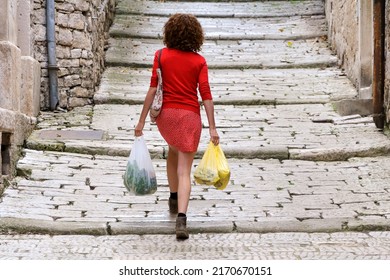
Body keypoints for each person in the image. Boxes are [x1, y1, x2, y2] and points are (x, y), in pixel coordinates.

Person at [134, 13, 219, 240]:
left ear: (169, 33)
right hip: (190, 117)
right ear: (195, 36)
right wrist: (212, 128)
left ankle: (173, 197)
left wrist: (141, 120)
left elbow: (153, 89)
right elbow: (206, 95)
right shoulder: (199, 62)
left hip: (167, 118)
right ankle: (181, 217)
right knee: (185, 169)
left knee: (173, 149)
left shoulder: (160, 56)